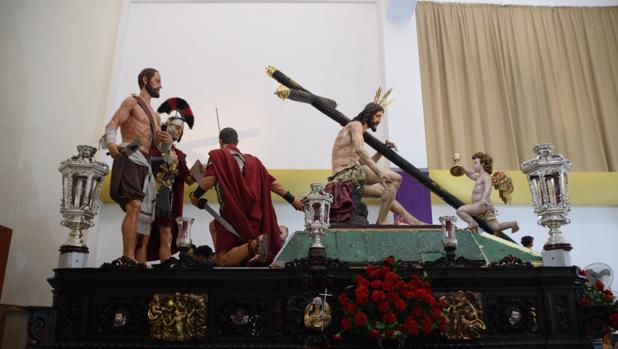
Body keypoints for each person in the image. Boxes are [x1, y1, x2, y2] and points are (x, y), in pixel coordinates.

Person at [190, 127, 303, 266]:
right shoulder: (254, 162)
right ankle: (254, 246)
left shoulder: (219, 157)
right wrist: (293, 200)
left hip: (233, 215)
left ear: (220, 141)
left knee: (223, 260)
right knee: (214, 225)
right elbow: (273, 183)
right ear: (237, 142)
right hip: (255, 218)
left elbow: (209, 181)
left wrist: (195, 196)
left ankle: (257, 242)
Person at [103, 68, 172, 265]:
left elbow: (159, 146)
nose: (160, 85)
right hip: (130, 154)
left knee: (145, 215)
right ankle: (128, 256)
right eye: (157, 80)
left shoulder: (156, 117)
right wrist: (110, 143)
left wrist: (166, 142)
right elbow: (112, 123)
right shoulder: (131, 102)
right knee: (134, 205)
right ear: (145, 80)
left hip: (146, 162)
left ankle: (139, 260)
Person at [330, 101, 423, 225]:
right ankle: (382, 221)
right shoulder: (356, 125)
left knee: (386, 190)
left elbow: (365, 162)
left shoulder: (354, 135)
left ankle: (414, 221)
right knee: (395, 179)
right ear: (369, 114)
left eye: (381, 117)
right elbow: (360, 151)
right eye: (377, 116)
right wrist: (379, 172)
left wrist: (382, 151)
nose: (379, 120)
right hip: (346, 173)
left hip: (352, 176)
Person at [146, 98, 196, 263]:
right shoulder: (151, 146)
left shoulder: (180, 155)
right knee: (143, 236)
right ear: (166, 127)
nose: (179, 131)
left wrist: (202, 171)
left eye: (181, 129)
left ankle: (165, 270)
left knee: (166, 235)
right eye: (176, 127)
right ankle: (138, 270)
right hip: (148, 195)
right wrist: (165, 154)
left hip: (166, 198)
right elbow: (146, 164)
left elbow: (189, 179)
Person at [456, 152, 519, 234]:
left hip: (481, 205)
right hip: (485, 207)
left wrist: (484, 199)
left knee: (460, 211)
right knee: (496, 227)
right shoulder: (479, 177)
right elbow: (471, 173)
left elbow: (488, 188)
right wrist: (462, 168)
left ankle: (472, 223)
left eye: (476, 163)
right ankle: (512, 224)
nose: (474, 165)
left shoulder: (486, 177)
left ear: (482, 164)